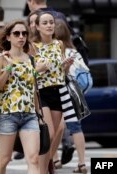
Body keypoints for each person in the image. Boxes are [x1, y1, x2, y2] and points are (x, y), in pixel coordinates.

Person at [0, 19, 40, 174]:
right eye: (17, 33)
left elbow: (33, 88)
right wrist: (8, 68)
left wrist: (38, 113)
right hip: (7, 114)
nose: (21, 37)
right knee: (4, 159)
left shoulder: (31, 59)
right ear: (8, 37)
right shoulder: (1, 58)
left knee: (33, 159)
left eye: (24, 33)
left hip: (29, 115)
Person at [31, 11, 75, 174]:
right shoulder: (33, 46)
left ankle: (45, 165)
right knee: (47, 135)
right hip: (42, 92)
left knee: (56, 133)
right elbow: (29, 71)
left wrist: (67, 65)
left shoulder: (59, 44)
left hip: (59, 91)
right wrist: (39, 69)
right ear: (37, 27)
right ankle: (42, 170)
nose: (49, 25)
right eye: (45, 23)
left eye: (51, 22)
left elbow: (61, 71)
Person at [53, 18, 88, 174]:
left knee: (53, 128)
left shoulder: (54, 50)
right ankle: (82, 163)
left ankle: (54, 160)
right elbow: (85, 72)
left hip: (57, 92)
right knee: (76, 128)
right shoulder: (74, 52)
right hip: (74, 93)